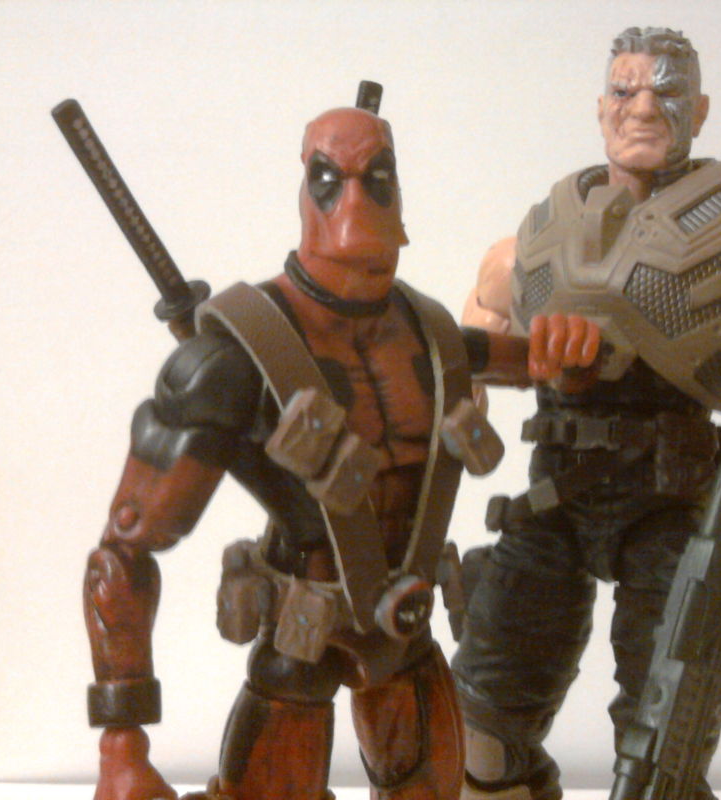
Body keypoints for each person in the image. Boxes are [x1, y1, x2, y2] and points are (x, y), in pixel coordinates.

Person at [452, 27, 721, 800]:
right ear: (600, 107)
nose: (643, 108)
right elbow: (464, 364)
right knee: (476, 735)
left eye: (666, 92)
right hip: (552, 499)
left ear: (699, 110)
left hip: (673, 512)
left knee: (659, 754)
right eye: (624, 91)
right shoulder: (533, 243)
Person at [81, 97, 529, 800]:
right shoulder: (228, 361)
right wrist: (122, 746)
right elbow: (122, 552)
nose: (356, 200)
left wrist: (569, 343)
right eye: (331, 178)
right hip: (301, 634)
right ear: (307, 188)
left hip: (407, 632)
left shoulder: (431, 334)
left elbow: (540, 361)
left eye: (375, 176)